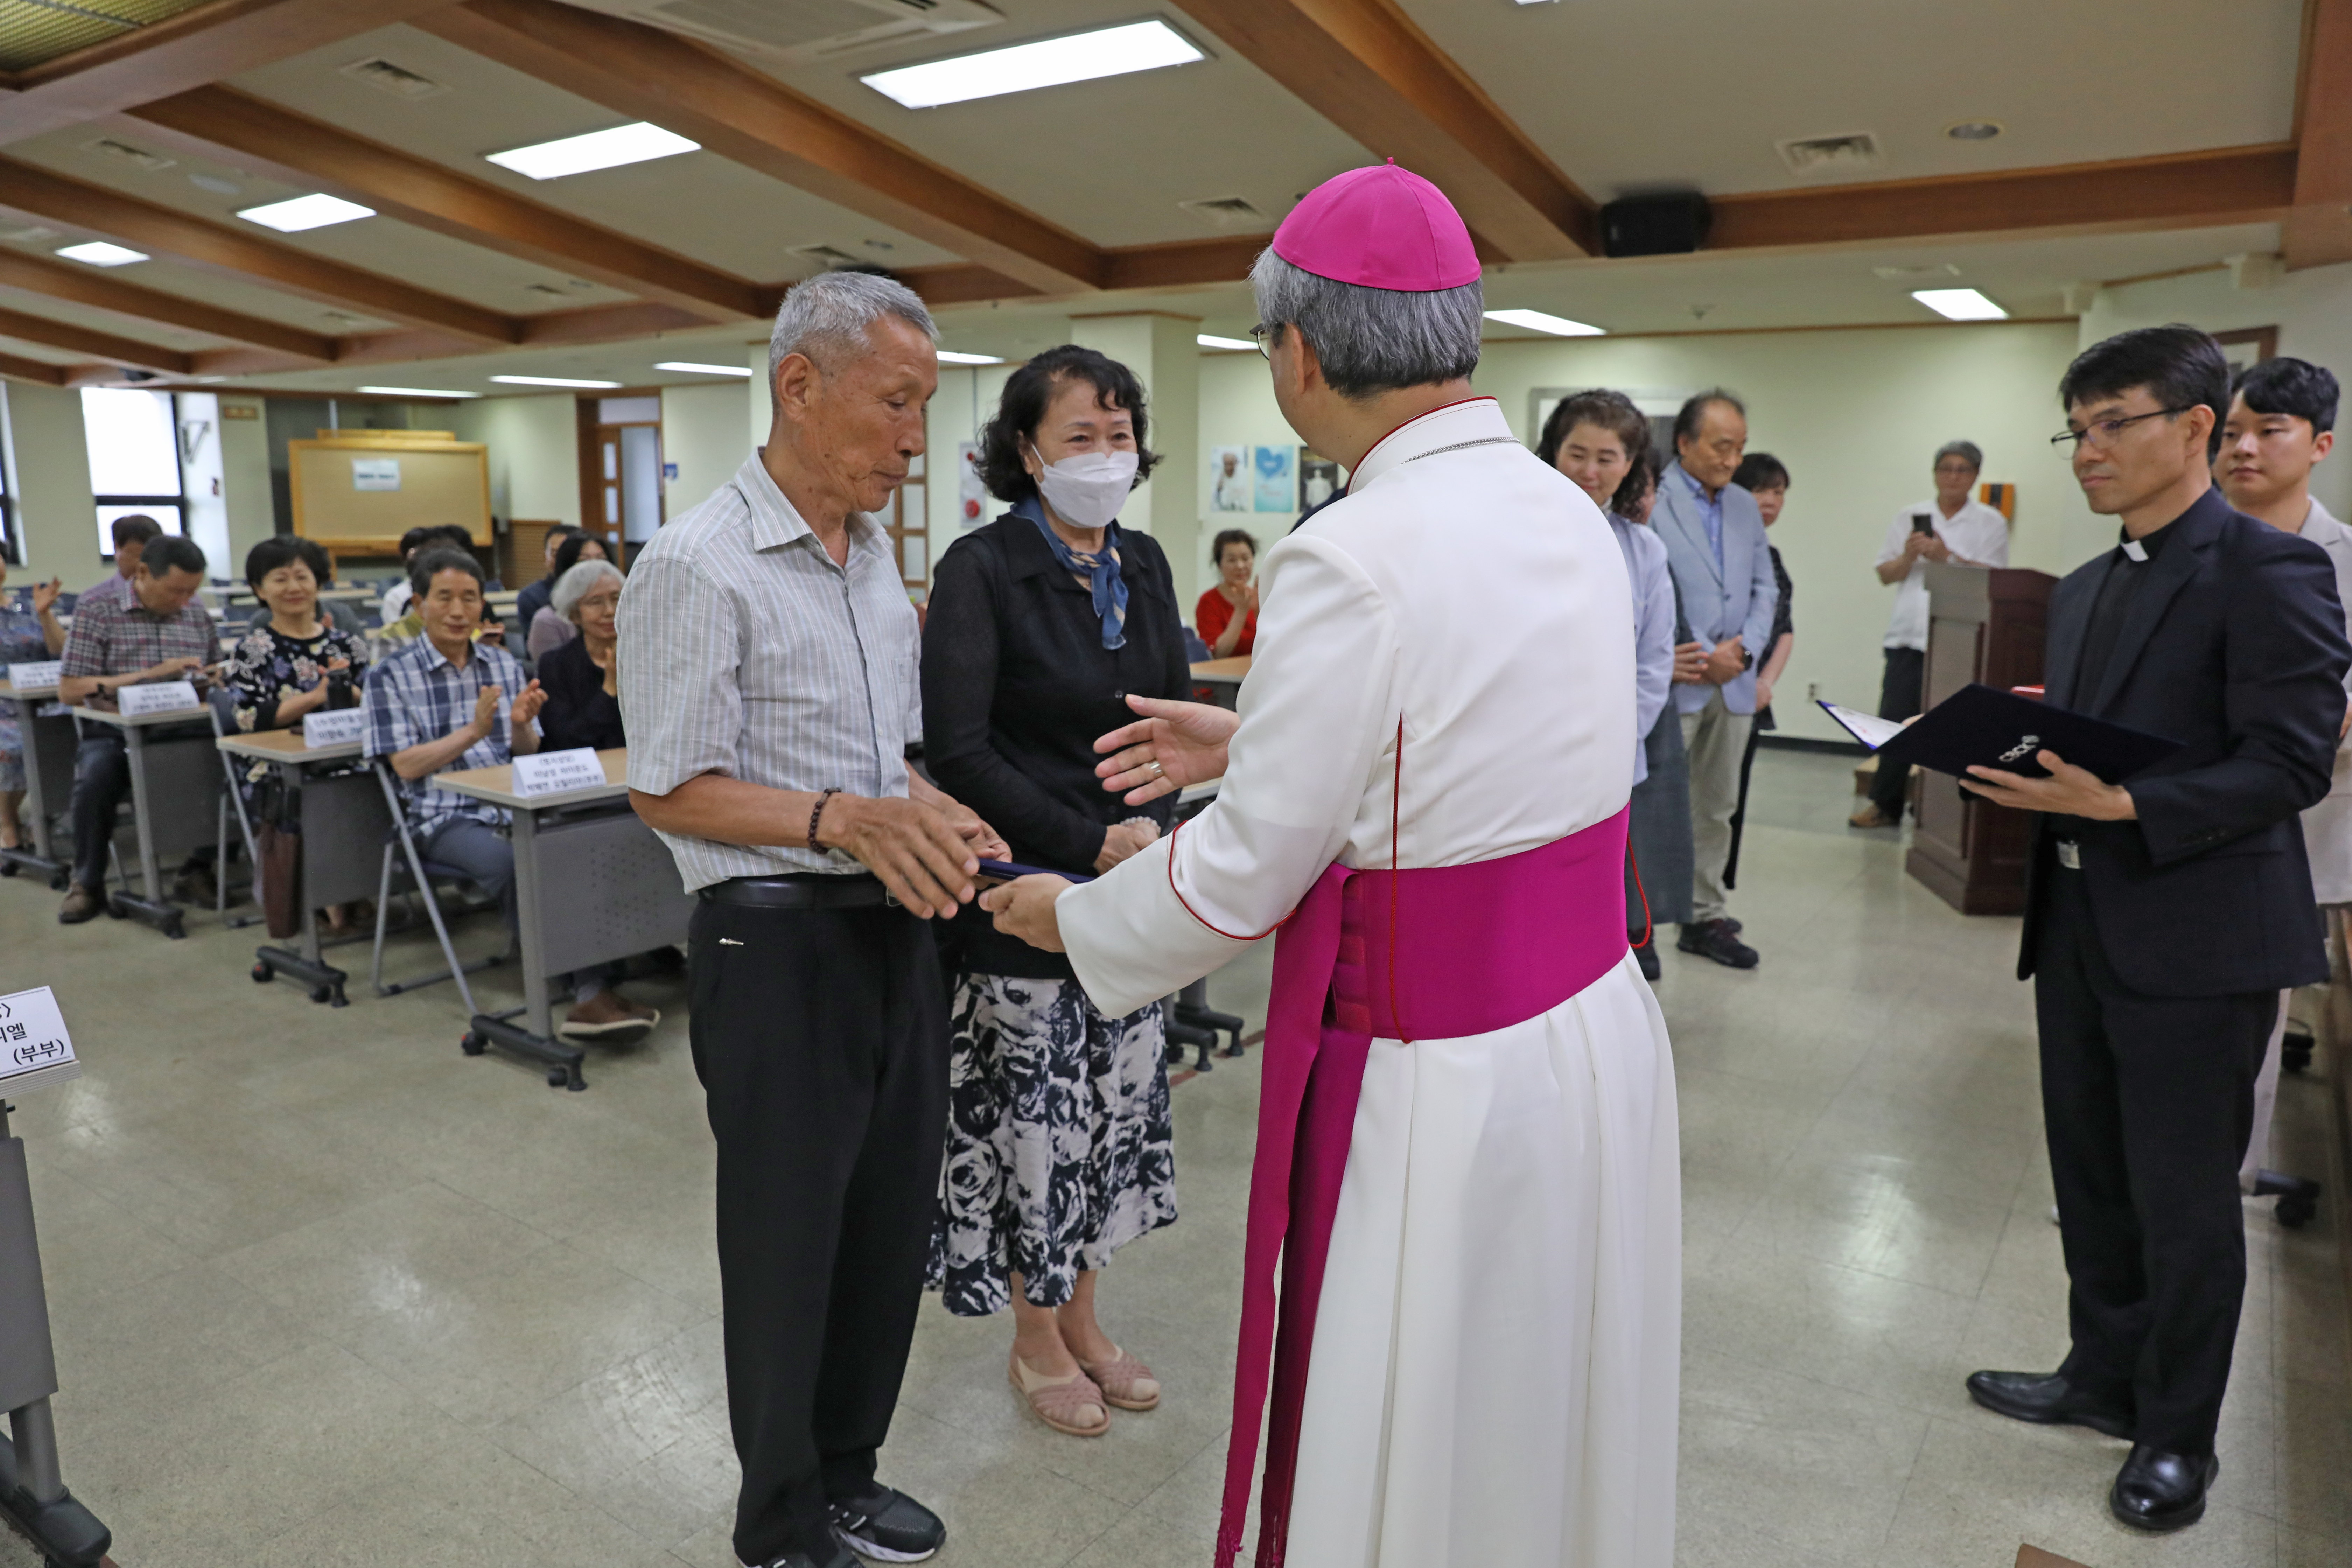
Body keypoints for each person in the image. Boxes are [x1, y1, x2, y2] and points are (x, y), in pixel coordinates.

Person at [980, 162, 1679, 1568]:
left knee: (1426, 1409)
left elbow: (1241, 880)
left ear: (1296, 353)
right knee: (1551, 1376)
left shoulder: (1348, 553)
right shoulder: (1575, 514)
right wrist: (1258, 738)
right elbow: (1486, 750)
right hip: (1589, 1025)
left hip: (1441, 1071)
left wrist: (1067, 915)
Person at [621, 271, 1010, 1568]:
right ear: (800, 385)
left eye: (924, 409)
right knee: (789, 1245)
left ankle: (847, 1473)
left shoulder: (869, 564)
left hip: (891, 925)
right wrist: (845, 818)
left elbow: (876, 755)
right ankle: (777, 1522)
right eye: (896, 404)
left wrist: (933, 810)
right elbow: (669, 783)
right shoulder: (695, 563)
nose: (915, 439)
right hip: (773, 943)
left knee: (885, 1224)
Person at [1959, 326, 2348, 1532]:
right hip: (2080, 920)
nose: (2088, 451)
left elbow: (2290, 765)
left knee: (2185, 1198)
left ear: (2194, 427)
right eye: (2075, 431)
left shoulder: (2269, 568)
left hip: (2202, 934)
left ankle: (2179, 1436)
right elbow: (2094, 741)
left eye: (2111, 424)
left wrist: (2124, 800)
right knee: (2092, 1174)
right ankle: (2102, 1375)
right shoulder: (2082, 589)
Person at [919, 344, 1186, 1437]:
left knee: (1112, 1120)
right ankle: (1034, 1337)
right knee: (1038, 1131)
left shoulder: (1148, 559)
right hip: (1029, 893)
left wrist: (1152, 830)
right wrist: (1091, 838)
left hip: (1135, 888)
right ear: (1023, 452)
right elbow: (962, 749)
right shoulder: (980, 566)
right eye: (1080, 435)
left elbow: (1170, 717)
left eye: (1119, 434)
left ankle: (1084, 1316)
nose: (1105, 454)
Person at [364, 546, 658, 1041]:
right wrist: (475, 733)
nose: (459, 611)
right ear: (419, 605)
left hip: (513, 802)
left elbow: (528, 749)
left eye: (470, 598)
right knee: (513, 864)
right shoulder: (389, 675)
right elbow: (405, 764)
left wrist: (521, 726)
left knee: (579, 842)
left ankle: (625, 957)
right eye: (445, 598)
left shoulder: (500, 664)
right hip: (441, 815)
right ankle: (588, 992)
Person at [2213, 356, 2348, 1207]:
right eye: (2231, 433)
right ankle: (2159, 1175)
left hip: (2298, 817)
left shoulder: (2343, 557)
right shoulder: (2195, 540)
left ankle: (2224, 1182)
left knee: (2254, 1020)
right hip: (2186, 807)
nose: (2245, 450)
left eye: (2270, 431)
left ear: (2320, 445)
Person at [1536, 389, 1684, 980]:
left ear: (1630, 466)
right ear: (1551, 452)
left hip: (1612, 759)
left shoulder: (1643, 550)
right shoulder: (1515, 534)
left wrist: (1620, 739)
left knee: (1597, 900)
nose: (1590, 472)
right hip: (1527, 754)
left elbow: (1653, 663)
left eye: (1607, 458)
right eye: (1576, 454)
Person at [1652, 389, 1774, 968]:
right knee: (1656, 805)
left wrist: (1743, 651)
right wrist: (1705, 655)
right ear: (1685, 443)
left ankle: (1704, 917)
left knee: (1717, 806)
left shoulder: (1746, 506)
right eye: (1722, 447)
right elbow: (1649, 592)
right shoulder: (1651, 499)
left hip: (1735, 682)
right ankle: (1640, 922)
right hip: (1676, 679)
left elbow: (1765, 588)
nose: (1732, 460)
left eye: (1740, 449)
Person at [55, 535, 222, 923]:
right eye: (175, 591)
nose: (184, 602)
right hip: (116, 733)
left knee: (234, 768)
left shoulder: (196, 614)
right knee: (95, 780)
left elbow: (215, 670)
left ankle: (198, 867)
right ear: (144, 573)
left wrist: (210, 677)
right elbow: (70, 689)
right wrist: (151, 675)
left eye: (192, 592)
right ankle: (87, 881)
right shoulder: (98, 609)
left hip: (185, 727)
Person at [1850, 440, 2010, 828]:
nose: (1953, 477)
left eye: (1962, 470)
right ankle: (1885, 805)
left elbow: (1995, 579)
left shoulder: (1991, 521)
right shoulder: (1911, 515)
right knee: (1893, 723)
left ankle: (1944, 815)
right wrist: (1910, 556)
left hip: (1960, 640)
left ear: (1974, 476)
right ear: (1935, 473)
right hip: (1908, 635)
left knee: (1952, 728)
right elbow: (1885, 574)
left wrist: (1947, 558)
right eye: (1946, 469)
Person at [1722, 453, 1794, 889]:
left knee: (1732, 799)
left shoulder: (1771, 556)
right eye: (1760, 490)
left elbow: (1785, 630)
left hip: (1750, 693)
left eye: (1779, 492)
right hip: (1709, 684)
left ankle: (1714, 899)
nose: (1770, 501)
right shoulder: (1720, 552)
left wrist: (1765, 682)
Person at [224, 536, 365, 734]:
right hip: (281, 761)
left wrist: (347, 689)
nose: (294, 588)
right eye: (281, 580)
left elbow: (380, 706)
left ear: (318, 583)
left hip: (347, 751)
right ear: (260, 590)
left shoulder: (348, 644)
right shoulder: (251, 651)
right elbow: (247, 718)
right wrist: (317, 696)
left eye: (302, 577)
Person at [0, 556, 67, 853]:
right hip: (4, 708)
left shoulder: (26, 606)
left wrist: (45, 615)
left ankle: (44, 818)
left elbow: (61, 653)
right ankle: (7, 821)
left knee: (70, 734)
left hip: (43, 700)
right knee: (14, 747)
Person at [534, 558, 626, 752]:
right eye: (596, 602)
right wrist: (610, 687)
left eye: (617, 599)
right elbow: (566, 739)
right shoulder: (555, 665)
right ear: (575, 614)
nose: (610, 611)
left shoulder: (648, 659)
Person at [527, 533, 611, 659]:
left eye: (602, 561)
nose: (596, 569)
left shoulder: (620, 611)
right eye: (584, 562)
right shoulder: (548, 620)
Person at [1195, 528, 1259, 657]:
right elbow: (1218, 654)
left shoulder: (1258, 596)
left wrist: (1260, 611)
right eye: (1232, 560)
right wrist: (1241, 610)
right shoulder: (1209, 601)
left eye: (1246, 559)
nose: (1240, 566)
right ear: (1219, 565)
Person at [511, 524, 582, 638]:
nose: (562, 560)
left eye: (568, 554)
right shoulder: (531, 597)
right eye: (555, 554)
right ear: (546, 557)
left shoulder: (595, 590)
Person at [80, 514, 162, 611]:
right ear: (117, 547)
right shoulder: (93, 602)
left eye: (154, 557)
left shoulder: (176, 596)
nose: (145, 565)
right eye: (138, 556)